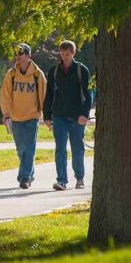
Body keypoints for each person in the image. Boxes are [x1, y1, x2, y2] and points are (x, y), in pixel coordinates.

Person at [45, 40, 92, 191]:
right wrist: (47, 116)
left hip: (77, 116)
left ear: (73, 53)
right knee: (60, 148)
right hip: (59, 115)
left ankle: (79, 178)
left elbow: (88, 94)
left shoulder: (81, 70)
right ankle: (62, 180)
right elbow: (49, 94)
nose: (65, 57)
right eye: (62, 54)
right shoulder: (54, 71)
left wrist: (84, 114)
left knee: (77, 148)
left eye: (68, 54)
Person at [0, 43, 47, 188]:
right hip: (15, 117)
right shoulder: (11, 75)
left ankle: (24, 178)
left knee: (30, 147)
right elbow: (5, 96)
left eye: (22, 54)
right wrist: (6, 113)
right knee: (21, 148)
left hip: (32, 116)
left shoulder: (38, 75)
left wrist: (46, 116)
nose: (18, 57)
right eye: (17, 54)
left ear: (28, 56)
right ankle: (30, 173)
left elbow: (43, 96)